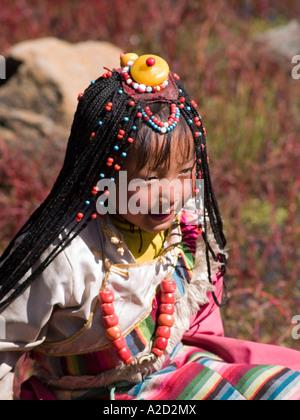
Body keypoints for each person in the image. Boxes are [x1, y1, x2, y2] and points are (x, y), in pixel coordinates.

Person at [0, 53, 299, 401]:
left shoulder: (186, 221)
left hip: (177, 365)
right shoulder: (62, 256)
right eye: (149, 179)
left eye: (185, 172)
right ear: (101, 174)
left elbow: (203, 315)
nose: (170, 196)